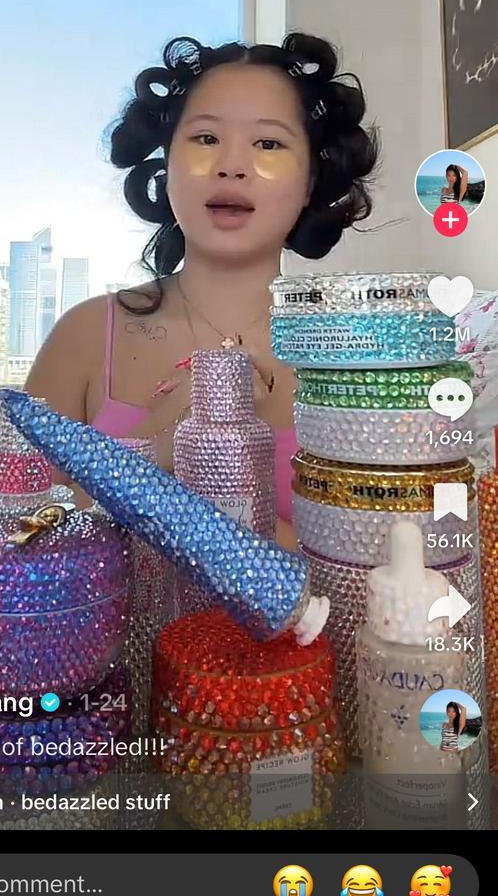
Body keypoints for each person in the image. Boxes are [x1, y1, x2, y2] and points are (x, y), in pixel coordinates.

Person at [25, 32, 379, 550]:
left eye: (269, 144)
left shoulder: (361, 356)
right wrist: (163, 443)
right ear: (167, 165)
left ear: (310, 180)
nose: (231, 165)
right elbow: (17, 543)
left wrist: (229, 481)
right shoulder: (83, 335)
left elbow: (382, 572)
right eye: (206, 138)